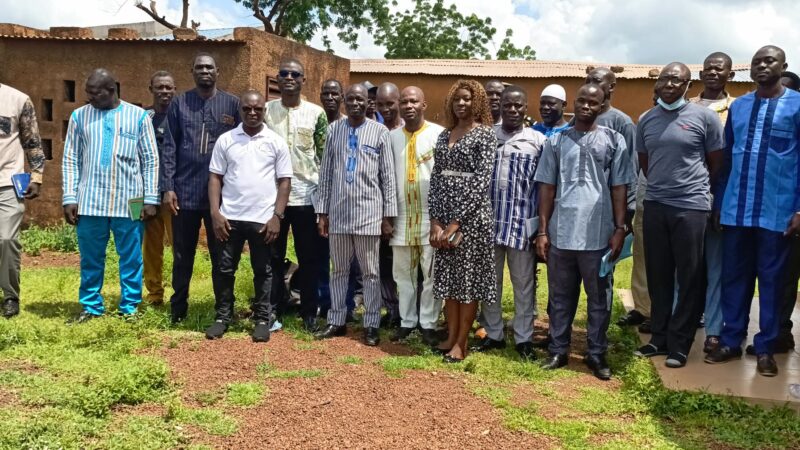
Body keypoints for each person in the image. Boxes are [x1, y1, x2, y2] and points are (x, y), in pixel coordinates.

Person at [706, 46, 800, 377]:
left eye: (769, 61)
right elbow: (727, 158)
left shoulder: (797, 105)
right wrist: (719, 203)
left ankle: (765, 348)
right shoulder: (741, 106)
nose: (762, 66)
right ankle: (731, 341)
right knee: (735, 277)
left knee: (772, 282)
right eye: (757, 62)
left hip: (777, 211)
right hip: (736, 209)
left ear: (783, 66)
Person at [535, 84, 633, 380]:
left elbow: (619, 188)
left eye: (594, 102)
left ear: (603, 106)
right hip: (561, 232)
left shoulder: (614, 141)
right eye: (581, 101)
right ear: (573, 103)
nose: (586, 106)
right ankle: (558, 350)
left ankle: (595, 353)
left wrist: (619, 228)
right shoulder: (556, 142)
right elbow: (547, 188)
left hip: (598, 235)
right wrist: (542, 231)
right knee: (561, 297)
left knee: (598, 300)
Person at [635, 62, 724, 368]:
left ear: (688, 86)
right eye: (666, 79)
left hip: (691, 207)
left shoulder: (705, 118)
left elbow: (716, 163)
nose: (671, 84)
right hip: (656, 204)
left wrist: (693, 190)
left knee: (689, 278)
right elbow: (647, 162)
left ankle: (680, 344)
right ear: (657, 84)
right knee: (658, 275)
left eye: (678, 80)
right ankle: (658, 339)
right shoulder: (646, 119)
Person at [62, 69, 159, 322]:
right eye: (88, 93)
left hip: (132, 201)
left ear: (112, 90)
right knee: (91, 257)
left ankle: (130, 307)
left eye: (96, 93)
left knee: (132, 257)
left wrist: (150, 199)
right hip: (89, 200)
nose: (91, 98)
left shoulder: (138, 117)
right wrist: (69, 197)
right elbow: (71, 158)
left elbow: (150, 160)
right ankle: (91, 306)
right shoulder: (79, 117)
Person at [315, 84, 397, 346]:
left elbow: (388, 178)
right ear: (344, 101)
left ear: (367, 102)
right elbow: (326, 174)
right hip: (338, 214)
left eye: (360, 99)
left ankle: (371, 323)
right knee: (338, 270)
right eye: (350, 99)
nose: (355, 104)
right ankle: (337, 320)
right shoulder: (333, 131)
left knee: (370, 272)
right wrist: (322, 212)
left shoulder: (380, 132)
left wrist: (387, 216)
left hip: (369, 215)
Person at [206, 90, 292, 342]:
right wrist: (215, 213)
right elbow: (215, 178)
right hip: (229, 218)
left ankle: (263, 319)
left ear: (264, 110)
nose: (252, 113)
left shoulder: (275, 142)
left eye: (258, 109)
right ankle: (222, 316)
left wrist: (277, 215)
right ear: (240, 110)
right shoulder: (226, 140)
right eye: (247, 109)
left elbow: (285, 181)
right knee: (223, 269)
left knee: (264, 270)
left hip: (263, 220)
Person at [161, 53, 240, 324]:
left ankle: (223, 310)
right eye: (199, 67)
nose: (204, 71)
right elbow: (169, 147)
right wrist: (168, 187)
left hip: (222, 198)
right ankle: (178, 310)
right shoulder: (179, 104)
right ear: (191, 71)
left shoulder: (232, 104)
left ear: (218, 71)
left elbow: (242, 149)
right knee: (183, 255)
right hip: (185, 193)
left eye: (209, 67)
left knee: (222, 257)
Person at [475, 86, 546, 360]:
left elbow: (544, 187)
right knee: (489, 282)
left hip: (520, 225)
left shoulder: (537, 141)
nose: (513, 110)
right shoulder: (488, 136)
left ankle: (523, 338)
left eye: (518, 105)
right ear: (500, 106)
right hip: (489, 224)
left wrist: (541, 228)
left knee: (523, 284)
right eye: (508, 105)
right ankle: (493, 334)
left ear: (526, 107)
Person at [429, 79, 497, 363]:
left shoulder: (485, 135)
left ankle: (462, 343)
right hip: (443, 217)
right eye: (457, 98)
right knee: (448, 281)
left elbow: (482, 183)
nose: (461, 103)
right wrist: (435, 220)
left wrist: (456, 222)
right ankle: (450, 336)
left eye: (467, 98)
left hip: (471, 220)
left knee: (467, 283)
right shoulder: (444, 135)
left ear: (477, 101)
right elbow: (435, 178)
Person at [264, 58, 328, 332]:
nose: (289, 77)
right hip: (273, 198)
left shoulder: (316, 114)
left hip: (306, 196)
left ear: (304, 80)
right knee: (273, 256)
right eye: (284, 74)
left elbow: (324, 159)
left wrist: (324, 202)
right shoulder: (266, 111)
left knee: (309, 256)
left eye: (295, 74)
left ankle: (309, 312)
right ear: (277, 79)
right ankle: (274, 308)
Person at [584, 67, 640, 330]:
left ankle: (598, 336)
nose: (591, 85)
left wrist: (625, 217)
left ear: (612, 87)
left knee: (602, 274)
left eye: (597, 81)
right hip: (579, 212)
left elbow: (630, 169)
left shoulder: (622, 122)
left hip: (610, 213)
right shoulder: (578, 121)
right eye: (587, 81)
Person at [688, 52, 736, 354]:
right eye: (708, 68)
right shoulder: (687, 106)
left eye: (719, 70)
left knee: (717, 267)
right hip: (685, 199)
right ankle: (680, 326)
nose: (713, 73)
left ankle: (715, 330)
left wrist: (720, 200)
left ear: (729, 75)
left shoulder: (737, 109)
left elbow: (728, 161)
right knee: (686, 268)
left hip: (719, 197)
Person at [388, 86, 444, 345]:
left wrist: (441, 219)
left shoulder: (438, 135)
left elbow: (445, 180)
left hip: (430, 217)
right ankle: (407, 321)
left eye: (414, 101)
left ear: (424, 105)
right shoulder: (391, 137)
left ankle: (429, 324)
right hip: (400, 215)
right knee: (403, 274)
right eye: (404, 101)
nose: (408, 105)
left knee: (431, 273)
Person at [0, 82, 44, 319]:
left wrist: (36, 176)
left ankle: (10, 296)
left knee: (7, 239)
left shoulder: (17, 99)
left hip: (7, 182)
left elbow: (33, 142)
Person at [143, 70, 176, 306]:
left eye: (168, 88)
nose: (164, 92)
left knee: (179, 246)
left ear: (174, 90)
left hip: (172, 195)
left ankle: (180, 293)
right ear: (151, 89)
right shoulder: (142, 118)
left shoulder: (179, 117)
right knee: (147, 247)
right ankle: (154, 294)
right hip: (141, 195)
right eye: (160, 87)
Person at [375, 82, 403, 325]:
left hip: (406, 211)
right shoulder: (373, 131)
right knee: (383, 263)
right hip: (379, 212)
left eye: (390, 104)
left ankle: (410, 311)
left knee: (406, 265)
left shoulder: (409, 130)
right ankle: (392, 310)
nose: (385, 109)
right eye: (380, 104)